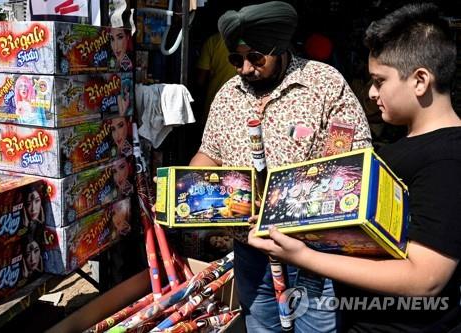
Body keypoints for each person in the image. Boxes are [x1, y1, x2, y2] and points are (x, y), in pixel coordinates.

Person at [248, 3, 461, 331]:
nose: (372, 92)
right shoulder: (405, 148)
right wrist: (285, 220)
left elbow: (425, 278)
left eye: (379, 81)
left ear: (420, 80)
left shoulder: (447, 159)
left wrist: (303, 257)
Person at [190, 2, 372, 331]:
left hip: (313, 253)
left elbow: (350, 167)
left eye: (256, 58)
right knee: (260, 326)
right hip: (251, 250)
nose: (244, 69)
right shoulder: (228, 94)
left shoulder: (324, 86)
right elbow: (209, 155)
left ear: (281, 47)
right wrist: (189, 192)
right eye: (236, 59)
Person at [196, 32, 237, 120]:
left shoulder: (213, 41)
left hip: (216, 97)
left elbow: (201, 79)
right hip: (241, 99)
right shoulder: (249, 40)